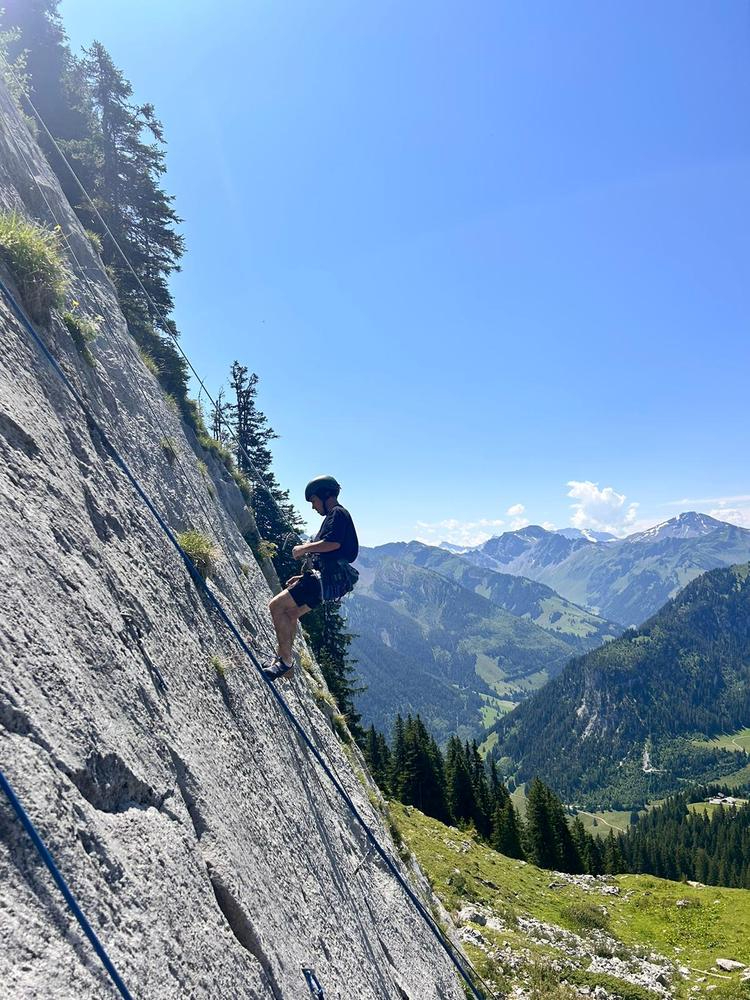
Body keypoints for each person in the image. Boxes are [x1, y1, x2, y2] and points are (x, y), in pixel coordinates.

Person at [264, 475, 359, 681]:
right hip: (327, 583)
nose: (313, 506)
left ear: (325, 495)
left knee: (276, 606)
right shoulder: (337, 516)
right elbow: (331, 555)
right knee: (291, 614)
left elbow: (332, 544)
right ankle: (284, 662)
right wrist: (301, 577)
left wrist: (303, 548)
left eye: (314, 500)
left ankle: (285, 662)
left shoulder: (337, 513)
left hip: (322, 580)